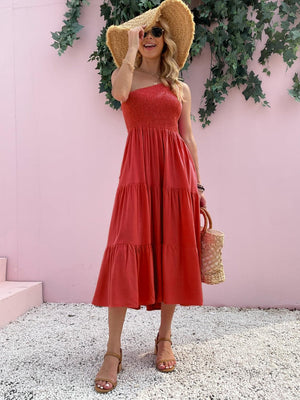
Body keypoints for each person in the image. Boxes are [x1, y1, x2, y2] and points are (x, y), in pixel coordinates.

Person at [92, 0, 207, 393]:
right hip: (138, 175)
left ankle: (165, 337)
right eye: (144, 33)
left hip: (176, 179)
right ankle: (113, 351)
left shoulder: (180, 87)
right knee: (125, 247)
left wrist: (198, 186)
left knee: (173, 248)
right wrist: (127, 53)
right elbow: (119, 93)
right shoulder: (125, 75)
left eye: (157, 32)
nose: (150, 38)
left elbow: (188, 137)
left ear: (167, 39)